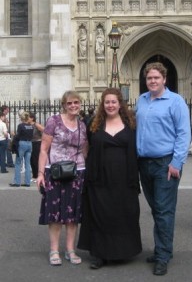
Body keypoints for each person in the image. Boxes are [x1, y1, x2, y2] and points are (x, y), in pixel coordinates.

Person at [135, 62, 191, 276]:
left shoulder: (176, 102)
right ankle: (162, 248)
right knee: (157, 209)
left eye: (156, 78)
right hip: (144, 163)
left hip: (165, 164)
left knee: (164, 210)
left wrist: (177, 163)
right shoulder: (141, 100)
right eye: (149, 78)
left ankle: (162, 256)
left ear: (164, 79)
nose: (152, 81)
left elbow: (183, 134)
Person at [78, 88, 142, 269]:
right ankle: (100, 254)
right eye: (107, 102)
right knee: (100, 214)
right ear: (102, 104)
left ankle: (121, 251)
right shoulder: (94, 124)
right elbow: (85, 147)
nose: (110, 105)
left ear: (120, 103)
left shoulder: (131, 123)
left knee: (122, 214)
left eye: (114, 102)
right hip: (99, 179)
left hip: (124, 179)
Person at [37, 91, 88, 266]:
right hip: (56, 171)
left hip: (77, 171)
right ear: (64, 105)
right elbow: (44, 148)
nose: (73, 106)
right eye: (69, 103)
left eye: (76, 103)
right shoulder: (54, 121)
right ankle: (54, 250)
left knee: (73, 214)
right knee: (55, 213)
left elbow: (84, 150)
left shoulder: (82, 125)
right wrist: (41, 173)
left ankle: (70, 250)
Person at [9, 111, 34, 187]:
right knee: (27, 164)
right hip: (29, 144)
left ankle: (17, 182)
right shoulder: (31, 126)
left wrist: (13, 135)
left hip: (22, 143)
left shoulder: (20, 126)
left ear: (22, 118)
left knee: (18, 163)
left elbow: (18, 136)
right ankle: (27, 182)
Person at [28, 112, 44, 183]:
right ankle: (34, 175)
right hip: (30, 142)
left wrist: (42, 138)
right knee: (31, 160)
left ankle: (38, 175)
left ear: (32, 118)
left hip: (37, 143)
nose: (27, 118)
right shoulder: (27, 125)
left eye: (28, 117)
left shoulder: (36, 125)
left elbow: (45, 130)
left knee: (36, 159)